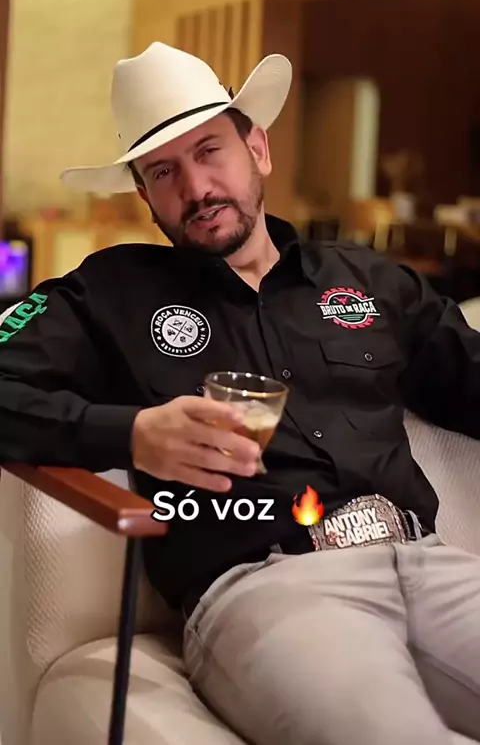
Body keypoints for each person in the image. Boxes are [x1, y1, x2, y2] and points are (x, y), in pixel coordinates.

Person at [1, 42, 480, 745]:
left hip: (434, 564)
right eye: (164, 171)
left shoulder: (369, 280)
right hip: (269, 589)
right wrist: (131, 434)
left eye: (210, 151)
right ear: (144, 195)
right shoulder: (108, 296)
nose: (196, 188)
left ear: (257, 149)